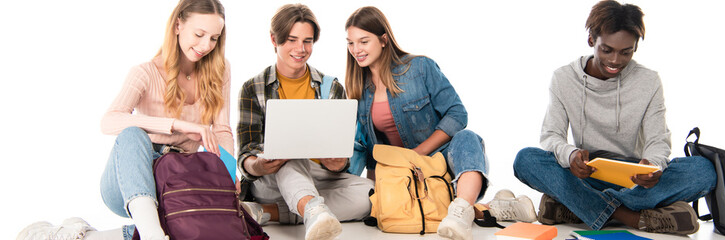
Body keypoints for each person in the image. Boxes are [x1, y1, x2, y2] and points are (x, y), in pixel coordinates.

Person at [16, 0, 231, 239]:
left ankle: (78, 235)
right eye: (199, 34)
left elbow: (222, 130)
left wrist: (230, 176)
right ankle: (152, 235)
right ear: (178, 25)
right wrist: (176, 125)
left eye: (214, 38)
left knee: (195, 227)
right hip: (134, 176)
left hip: (180, 178)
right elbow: (108, 121)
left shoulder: (220, 71)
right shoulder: (145, 73)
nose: (205, 45)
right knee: (132, 133)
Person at [512, 0, 716, 235]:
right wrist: (570, 155)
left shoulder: (648, 81)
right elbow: (551, 136)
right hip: (587, 172)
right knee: (526, 159)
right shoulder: (563, 78)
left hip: (634, 177)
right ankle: (632, 218)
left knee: (704, 170)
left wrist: (653, 165)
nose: (615, 61)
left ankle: (576, 207)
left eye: (625, 52)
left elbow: (658, 139)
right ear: (592, 41)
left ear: (635, 47)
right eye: (606, 50)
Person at [344, 6, 535, 240]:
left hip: (440, 160)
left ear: (384, 39)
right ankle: (498, 207)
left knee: (468, 137)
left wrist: (418, 154)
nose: (356, 50)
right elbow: (369, 150)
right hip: (402, 174)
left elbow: (457, 114)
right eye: (351, 43)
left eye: (363, 41)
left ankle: (460, 213)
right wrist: (375, 195)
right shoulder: (358, 89)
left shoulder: (419, 68)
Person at [236, 4, 373, 240]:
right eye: (292, 40)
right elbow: (246, 151)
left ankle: (272, 212)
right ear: (274, 39)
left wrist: (338, 164)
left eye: (307, 41)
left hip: (319, 178)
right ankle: (313, 211)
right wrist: (258, 165)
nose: (301, 49)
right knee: (290, 153)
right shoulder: (253, 88)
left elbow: (342, 158)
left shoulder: (331, 88)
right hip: (273, 180)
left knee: (370, 195)